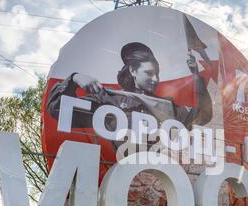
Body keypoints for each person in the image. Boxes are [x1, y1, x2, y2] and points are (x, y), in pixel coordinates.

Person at [47, 42, 213, 138]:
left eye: (157, 74)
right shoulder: (110, 100)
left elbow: (202, 116)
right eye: (149, 73)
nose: (155, 79)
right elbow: (58, 109)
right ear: (133, 71)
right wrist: (75, 79)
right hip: (119, 177)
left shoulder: (169, 107)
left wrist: (196, 76)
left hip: (165, 180)